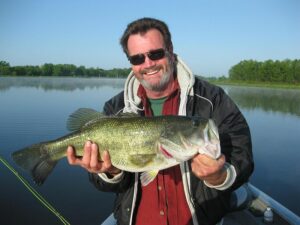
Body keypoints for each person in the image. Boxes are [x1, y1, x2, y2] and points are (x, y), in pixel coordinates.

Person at [67, 17, 254, 225]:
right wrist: (110, 172)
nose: (148, 64)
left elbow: (242, 153)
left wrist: (219, 177)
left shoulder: (212, 99)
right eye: (137, 59)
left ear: (170, 51)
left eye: (155, 54)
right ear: (131, 64)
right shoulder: (115, 109)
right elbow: (107, 185)